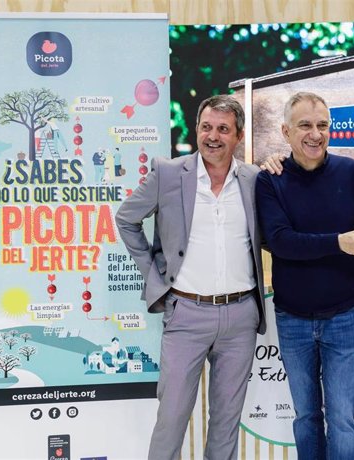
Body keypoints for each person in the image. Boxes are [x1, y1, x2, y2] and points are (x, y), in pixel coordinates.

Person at [115, 95, 266, 460]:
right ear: (197, 129)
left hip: (241, 316)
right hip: (185, 314)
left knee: (226, 424)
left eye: (223, 129)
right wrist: (155, 276)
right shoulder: (169, 173)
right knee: (171, 420)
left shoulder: (254, 179)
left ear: (239, 136)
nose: (212, 136)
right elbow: (126, 218)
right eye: (206, 127)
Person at [255, 91, 354, 460]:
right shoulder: (270, 180)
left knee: (343, 419)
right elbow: (281, 242)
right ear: (285, 131)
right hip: (293, 318)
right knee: (306, 416)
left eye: (323, 125)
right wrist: (340, 242)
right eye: (305, 125)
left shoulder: (351, 171)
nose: (315, 133)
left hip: (343, 316)